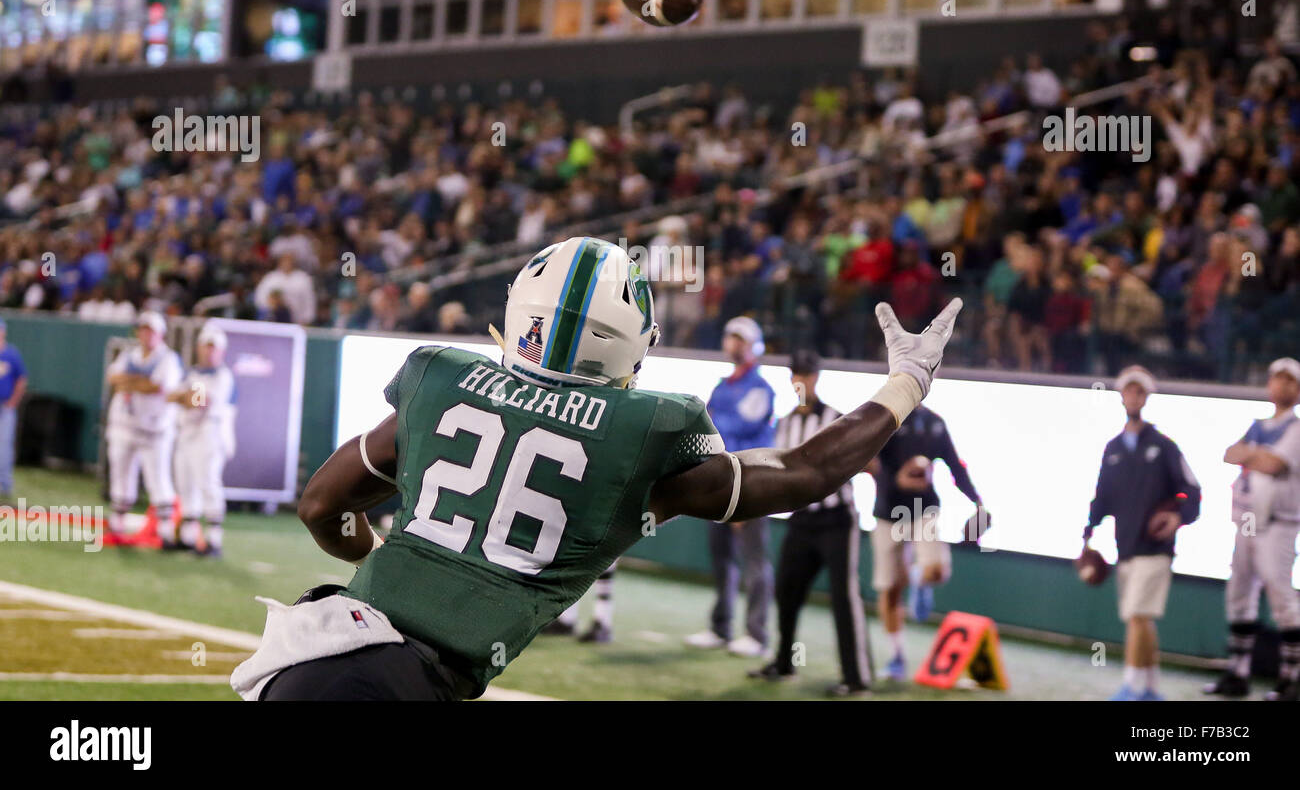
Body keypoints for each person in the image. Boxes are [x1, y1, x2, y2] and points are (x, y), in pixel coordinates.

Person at [231, 237, 963, 700]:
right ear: (631, 348)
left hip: (314, 657)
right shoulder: (645, 433)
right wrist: (905, 384)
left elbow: (321, 506)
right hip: (402, 686)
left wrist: (380, 553)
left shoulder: (441, 378)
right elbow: (804, 473)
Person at [749, 350, 874, 697]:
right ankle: (784, 662)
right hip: (802, 520)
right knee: (786, 590)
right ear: (791, 379)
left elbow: (866, 462)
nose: (801, 380)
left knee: (843, 597)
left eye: (807, 374)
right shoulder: (786, 423)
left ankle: (856, 677)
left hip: (836, 520)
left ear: (816, 378)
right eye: (796, 374)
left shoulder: (837, 420)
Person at [1082, 365, 1202, 701]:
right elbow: (1102, 496)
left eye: (1139, 391)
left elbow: (1191, 492)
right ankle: (1149, 687)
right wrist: (1087, 535)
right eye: (1128, 390)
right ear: (1122, 396)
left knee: (1136, 616)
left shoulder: (1164, 447)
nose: (1133, 396)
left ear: (1146, 397)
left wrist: (1177, 517)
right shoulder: (1114, 449)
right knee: (1142, 619)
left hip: (1156, 550)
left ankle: (1132, 687)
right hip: (1127, 548)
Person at [870, 399, 987, 681]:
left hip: (923, 509)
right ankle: (897, 656)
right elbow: (869, 463)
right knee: (889, 589)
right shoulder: (885, 419)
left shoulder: (935, 423)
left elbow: (954, 466)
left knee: (937, 571)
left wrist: (977, 503)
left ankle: (918, 576)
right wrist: (896, 481)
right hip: (888, 512)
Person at [1205, 357, 1300, 701]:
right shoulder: (1258, 424)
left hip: (1279, 523)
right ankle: (1238, 673)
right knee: (1240, 595)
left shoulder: (1296, 428)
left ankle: (1290, 680)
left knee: (1281, 596)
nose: (1282, 386)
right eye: (1278, 379)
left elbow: (1274, 465)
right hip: (1245, 520)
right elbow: (1230, 454)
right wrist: (1252, 454)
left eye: (1290, 381)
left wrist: (1252, 454)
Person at [685, 316, 776, 658]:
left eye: (740, 338)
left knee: (755, 560)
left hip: (751, 484)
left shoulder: (761, 389)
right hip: (719, 483)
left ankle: (756, 633)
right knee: (722, 558)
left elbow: (735, 429)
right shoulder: (723, 386)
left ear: (754, 346)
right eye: (730, 336)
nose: (733, 343)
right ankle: (720, 627)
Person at [104, 311, 184, 541]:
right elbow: (114, 379)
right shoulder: (130, 354)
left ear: (161, 334)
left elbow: (156, 387)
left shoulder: (168, 358)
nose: (146, 334)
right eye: (143, 329)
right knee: (120, 472)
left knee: (157, 477)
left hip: (155, 428)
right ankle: (117, 522)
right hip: (124, 423)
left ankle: (166, 529)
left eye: (151, 330)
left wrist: (130, 381)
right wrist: (139, 382)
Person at [168, 325, 238, 557]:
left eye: (213, 348)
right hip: (188, 433)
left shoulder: (223, 376)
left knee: (208, 483)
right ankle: (187, 537)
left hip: (211, 435)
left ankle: (213, 540)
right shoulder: (193, 373)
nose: (208, 352)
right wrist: (185, 396)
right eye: (205, 347)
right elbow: (171, 395)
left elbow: (200, 400)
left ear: (221, 351)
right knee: (185, 483)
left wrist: (185, 397)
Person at [0, 319, 27, 502]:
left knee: (4, 446)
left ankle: (4, 484)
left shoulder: (12, 354)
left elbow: (22, 379)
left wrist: (13, 401)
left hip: (5, 407)